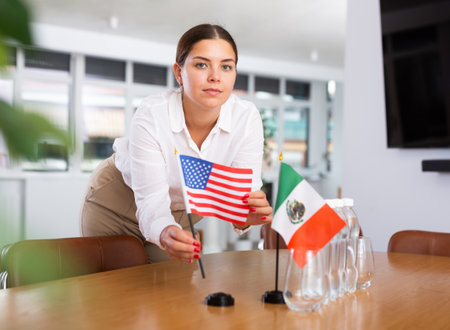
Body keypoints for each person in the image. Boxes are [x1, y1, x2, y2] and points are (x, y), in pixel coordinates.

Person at [80, 24, 273, 263]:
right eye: (202, 64)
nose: (215, 76)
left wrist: (246, 215)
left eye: (226, 66)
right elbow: (151, 202)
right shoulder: (152, 114)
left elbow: (242, 198)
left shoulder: (246, 118)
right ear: (179, 73)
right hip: (117, 203)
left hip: (181, 214)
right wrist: (163, 230)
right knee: (117, 289)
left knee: (173, 292)